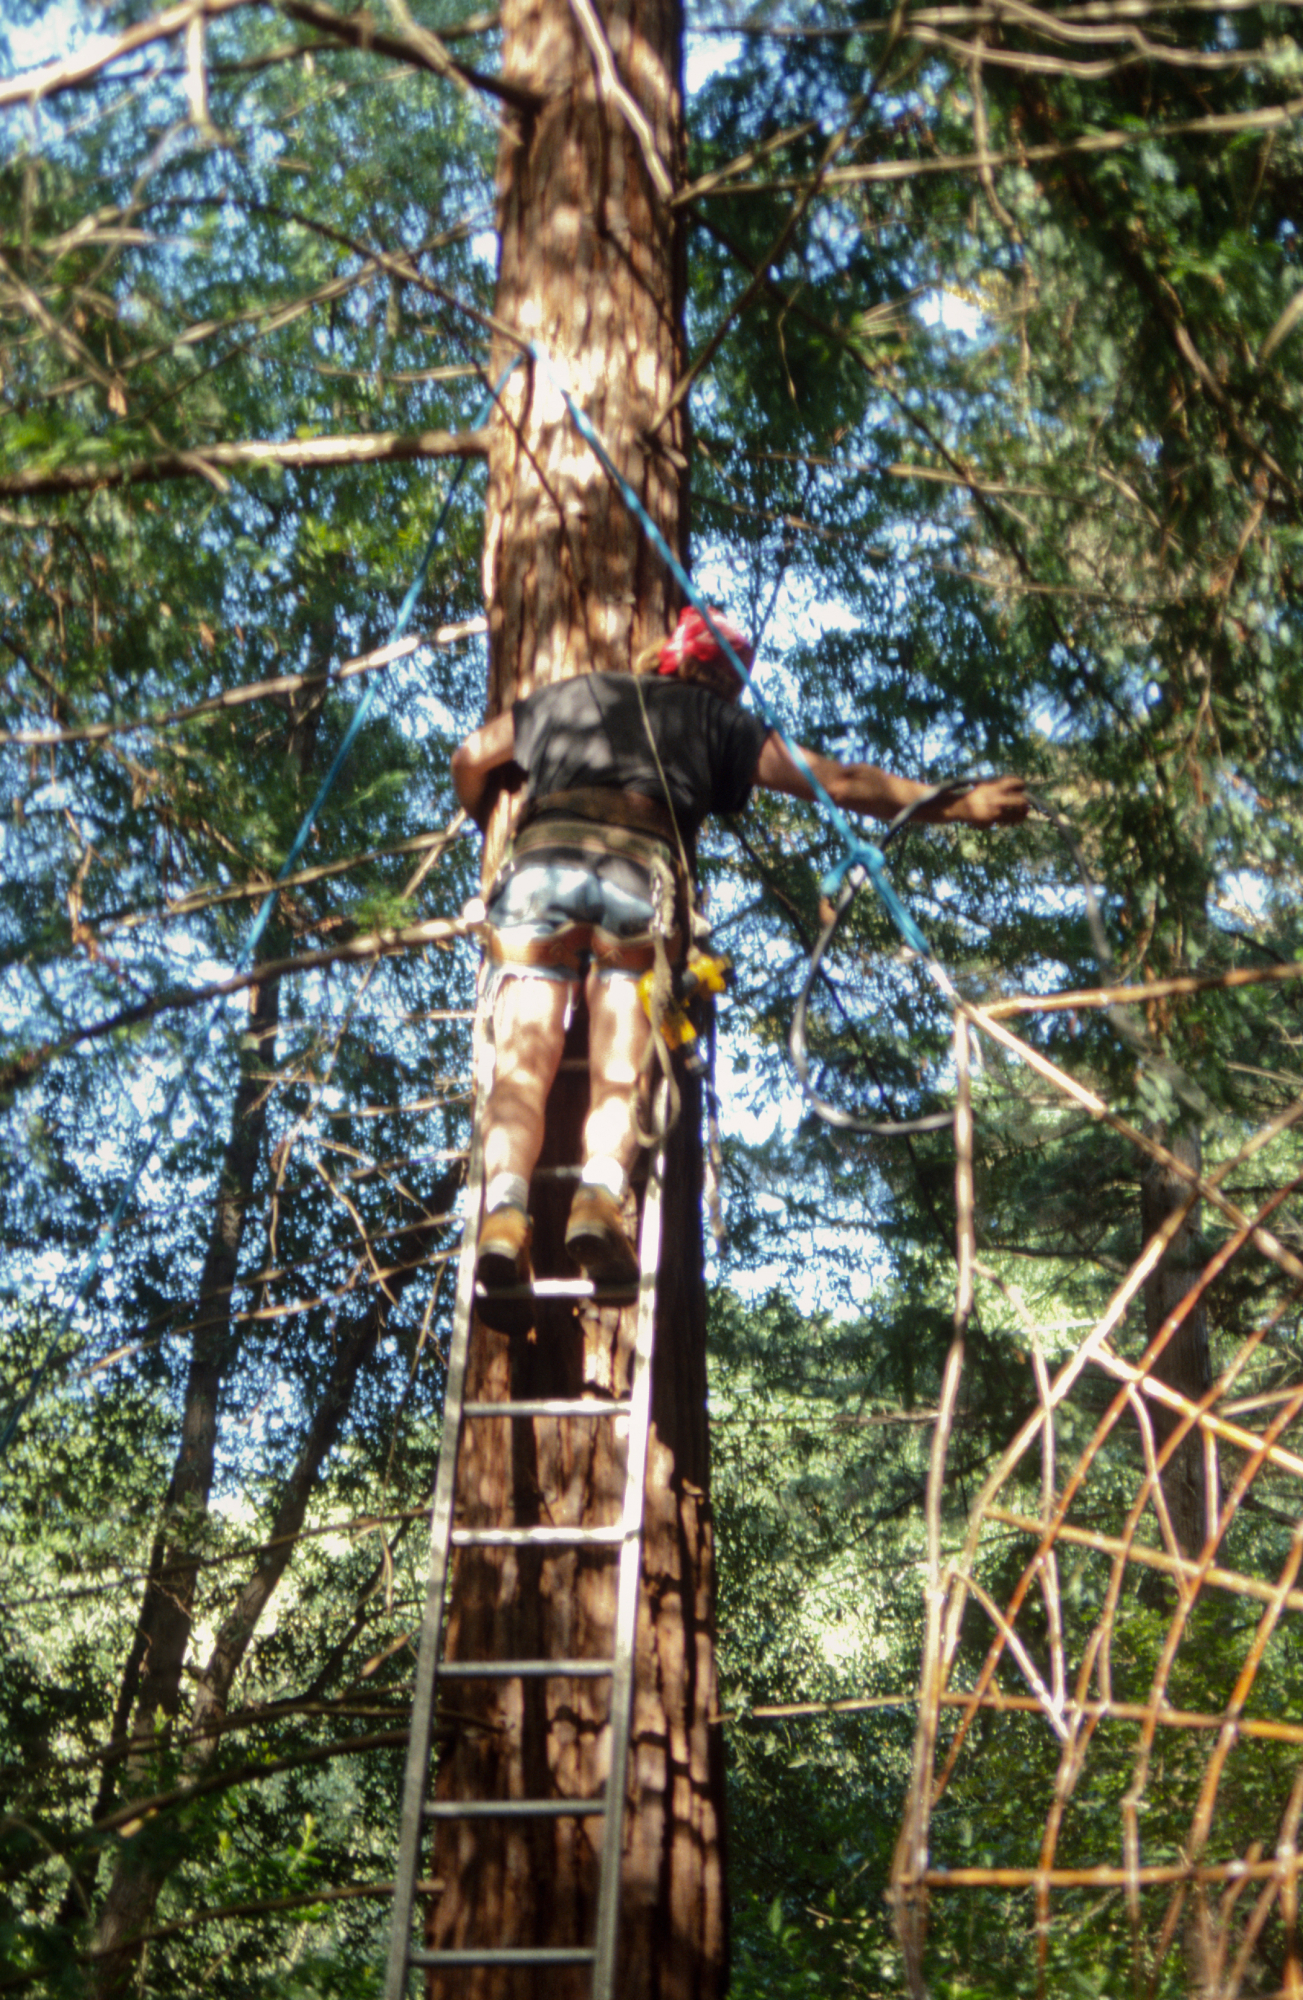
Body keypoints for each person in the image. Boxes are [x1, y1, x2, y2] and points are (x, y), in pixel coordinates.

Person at [451, 609, 1027, 1320]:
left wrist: (485, 821)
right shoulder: (716, 721)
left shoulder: (574, 694)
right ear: (722, 679)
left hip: (537, 874)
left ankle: (504, 1215)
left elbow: (472, 756)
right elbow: (839, 781)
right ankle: (597, 1199)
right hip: (634, 880)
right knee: (619, 1071)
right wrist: (959, 804)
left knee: (521, 1066)